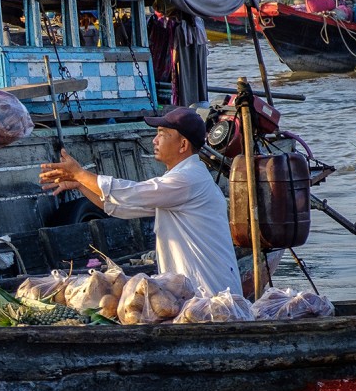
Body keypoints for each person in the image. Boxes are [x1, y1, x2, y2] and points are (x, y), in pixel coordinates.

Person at [39, 107, 241, 296]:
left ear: (183, 145)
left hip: (210, 294)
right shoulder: (182, 178)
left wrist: (80, 174)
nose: (154, 140)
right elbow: (123, 207)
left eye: (162, 133)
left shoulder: (187, 179)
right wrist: (80, 184)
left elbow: (133, 193)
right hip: (195, 292)